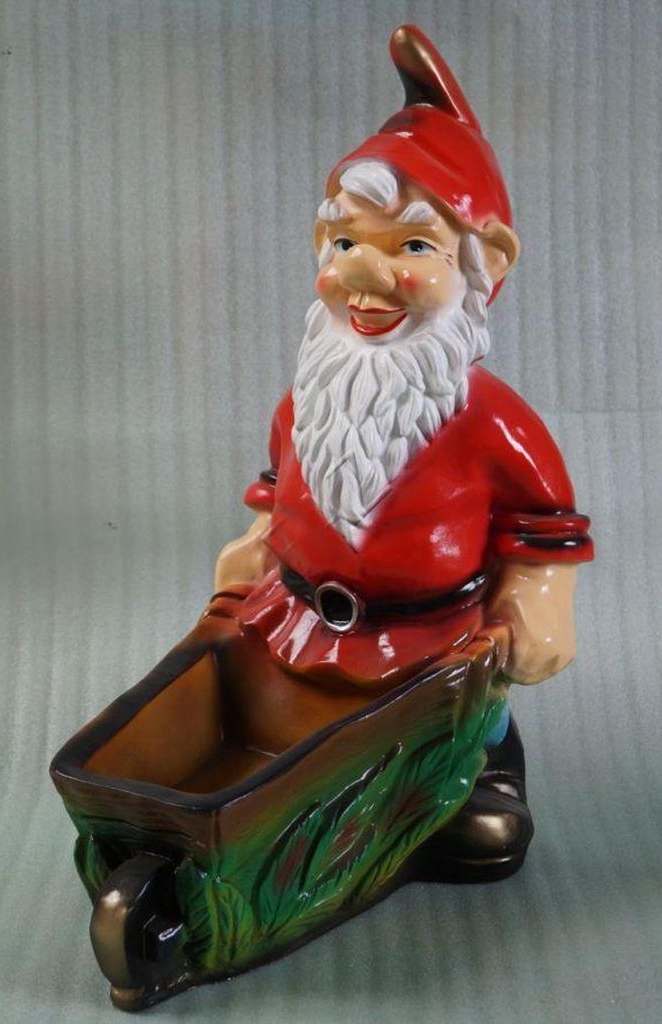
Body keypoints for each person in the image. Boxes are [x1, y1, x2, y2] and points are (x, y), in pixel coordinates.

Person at [202, 25, 593, 881]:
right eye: (345, 244)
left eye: (411, 247)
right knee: (278, 714)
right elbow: (280, 483)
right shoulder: (308, 398)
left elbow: (544, 524)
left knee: (459, 726)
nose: (361, 276)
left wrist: (539, 595)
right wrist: (258, 542)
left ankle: (476, 781)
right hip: (301, 622)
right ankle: (294, 794)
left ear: (485, 263)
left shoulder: (490, 422)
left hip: (434, 643)